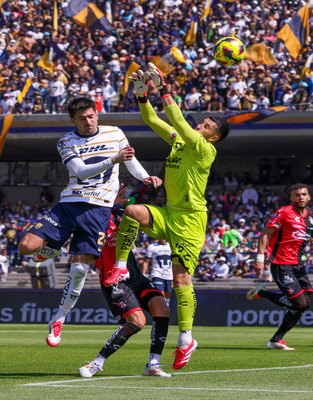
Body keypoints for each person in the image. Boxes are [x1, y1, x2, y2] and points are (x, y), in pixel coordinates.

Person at [106, 63, 229, 370]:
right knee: (131, 211)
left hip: (190, 220)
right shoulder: (179, 140)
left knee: (180, 280)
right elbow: (151, 118)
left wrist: (162, 87)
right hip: (169, 213)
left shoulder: (204, 150)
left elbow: (176, 118)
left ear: (213, 137)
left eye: (207, 125)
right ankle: (120, 267)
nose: (201, 125)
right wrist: (141, 93)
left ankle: (186, 338)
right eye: (202, 123)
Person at [17, 97, 161, 347]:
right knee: (27, 247)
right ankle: (53, 247)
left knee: (80, 270)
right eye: (82, 118)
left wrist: (145, 176)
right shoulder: (66, 141)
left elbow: (128, 159)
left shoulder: (115, 132)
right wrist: (113, 160)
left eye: (91, 116)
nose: (88, 122)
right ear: (73, 120)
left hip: (99, 209)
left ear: (97, 114)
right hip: (69, 203)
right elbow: (82, 171)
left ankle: (58, 319)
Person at [78, 206, 170, 378]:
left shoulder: (123, 214)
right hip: (114, 279)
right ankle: (96, 363)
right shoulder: (94, 218)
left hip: (136, 277)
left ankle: (153, 364)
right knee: (137, 322)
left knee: (162, 308)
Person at [248, 183, 313, 350]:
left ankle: (275, 340)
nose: (301, 197)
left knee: (304, 305)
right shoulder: (284, 212)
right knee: (300, 304)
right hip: (281, 263)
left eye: (304, 194)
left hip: (298, 265)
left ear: (309, 197)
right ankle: (262, 293)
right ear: (291, 198)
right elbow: (265, 234)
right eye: (297, 195)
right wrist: (260, 259)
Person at [143, 239, 173, 305]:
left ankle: (166, 303)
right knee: (160, 292)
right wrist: (143, 274)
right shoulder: (152, 246)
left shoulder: (171, 246)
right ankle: (163, 305)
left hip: (169, 274)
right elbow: (146, 261)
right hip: (157, 274)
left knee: (169, 291)